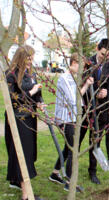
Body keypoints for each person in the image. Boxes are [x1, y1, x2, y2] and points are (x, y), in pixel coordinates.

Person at [48, 53, 94, 191]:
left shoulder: (73, 78)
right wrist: (84, 85)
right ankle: (69, 183)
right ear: (73, 62)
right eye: (81, 66)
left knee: (68, 147)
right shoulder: (64, 78)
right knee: (73, 149)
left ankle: (55, 174)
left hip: (72, 117)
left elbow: (78, 98)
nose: (82, 70)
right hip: (65, 118)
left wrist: (86, 84)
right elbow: (74, 100)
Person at [5, 45, 45, 200]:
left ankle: (18, 182)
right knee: (21, 153)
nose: (31, 61)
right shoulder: (11, 75)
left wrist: (39, 102)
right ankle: (26, 196)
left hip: (29, 117)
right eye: (29, 58)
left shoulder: (29, 74)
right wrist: (31, 92)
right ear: (21, 57)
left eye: (32, 58)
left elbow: (38, 92)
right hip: (17, 119)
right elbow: (12, 99)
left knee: (28, 153)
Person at [79, 38, 109, 184]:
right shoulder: (87, 64)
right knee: (76, 140)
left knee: (95, 141)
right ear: (97, 49)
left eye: (107, 55)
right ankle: (64, 167)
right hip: (85, 108)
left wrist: (105, 93)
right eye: (102, 54)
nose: (104, 58)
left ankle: (92, 172)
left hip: (100, 110)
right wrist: (93, 94)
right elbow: (80, 85)